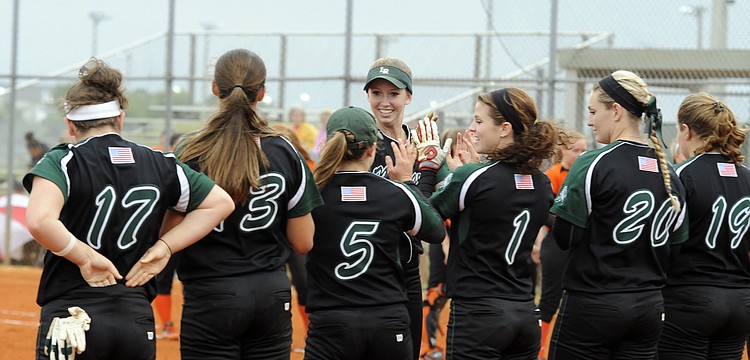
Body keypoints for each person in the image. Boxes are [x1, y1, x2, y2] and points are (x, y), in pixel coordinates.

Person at [23, 57, 234, 360]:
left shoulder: (63, 161)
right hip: (134, 316)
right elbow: (220, 203)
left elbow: (41, 222)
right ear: (120, 119)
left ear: (71, 125)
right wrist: (164, 247)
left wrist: (85, 257)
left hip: (72, 312)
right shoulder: (160, 162)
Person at [173, 48, 323, 360]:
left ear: (215, 88)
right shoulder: (285, 150)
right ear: (263, 92)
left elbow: (170, 228)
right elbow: (304, 241)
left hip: (211, 292)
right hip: (270, 291)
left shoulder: (190, 149)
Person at [548, 70, 688, 360]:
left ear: (616, 111)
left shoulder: (595, 162)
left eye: (593, 111)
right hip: (649, 307)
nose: (589, 121)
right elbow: (676, 248)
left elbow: (565, 236)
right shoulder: (670, 174)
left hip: (595, 304)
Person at [304, 106, 446, 359]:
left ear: (329, 145)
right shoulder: (394, 193)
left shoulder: (313, 194)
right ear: (372, 149)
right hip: (387, 319)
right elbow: (435, 231)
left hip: (331, 320)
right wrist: (409, 181)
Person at [429, 88, 558, 359]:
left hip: (479, 314)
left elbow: (426, 221)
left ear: (504, 129)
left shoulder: (473, 178)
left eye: (479, 121)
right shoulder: (541, 181)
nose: (472, 128)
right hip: (524, 311)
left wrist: (427, 173)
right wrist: (468, 175)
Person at [657, 92, 750, 360]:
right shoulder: (747, 177)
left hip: (691, 299)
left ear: (686, 130)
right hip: (739, 301)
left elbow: (664, 241)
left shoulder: (682, 174)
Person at [364, 56, 443, 360]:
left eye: (394, 94)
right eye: (376, 93)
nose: (385, 102)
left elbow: (437, 208)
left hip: (409, 268)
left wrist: (449, 168)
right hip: (369, 266)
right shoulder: (363, 142)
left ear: (409, 96)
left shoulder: (422, 142)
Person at [532, 129, 587, 359]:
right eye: (576, 150)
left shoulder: (586, 173)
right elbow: (545, 212)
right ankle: (539, 347)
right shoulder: (554, 174)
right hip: (557, 244)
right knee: (550, 299)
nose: (582, 154)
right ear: (563, 150)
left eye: (585, 150)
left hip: (578, 245)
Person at [152, 131, 185, 340]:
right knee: (163, 277)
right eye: (180, 145)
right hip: (167, 231)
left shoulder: (197, 167)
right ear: (172, 148)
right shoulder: (162, 167)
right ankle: (167, 325)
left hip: (191, 232)